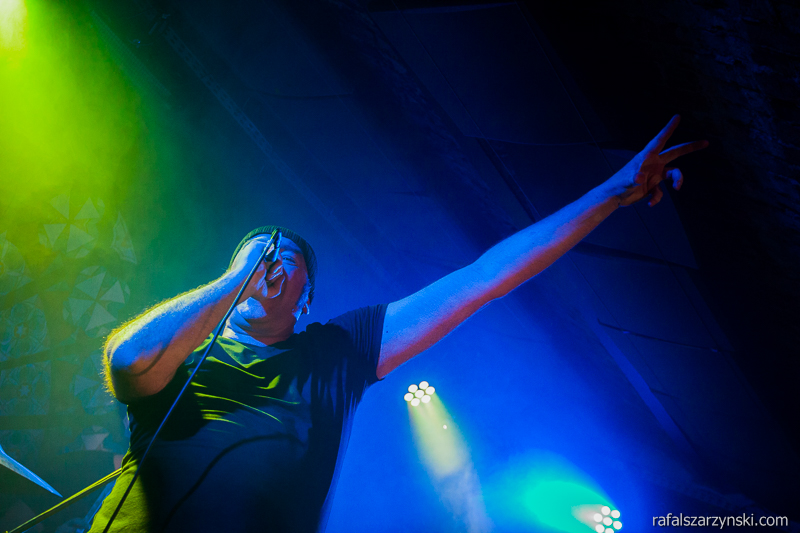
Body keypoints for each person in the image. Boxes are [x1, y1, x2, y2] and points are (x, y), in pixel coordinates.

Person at [91, 116, 707, 532]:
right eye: (257, 254)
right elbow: (129, 364)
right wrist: (234, 280)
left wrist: (612, 192)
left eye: (285, 257)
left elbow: (483, 278)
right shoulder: (187, 353)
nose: (268, 262)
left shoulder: (335, 353)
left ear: (306, 301)